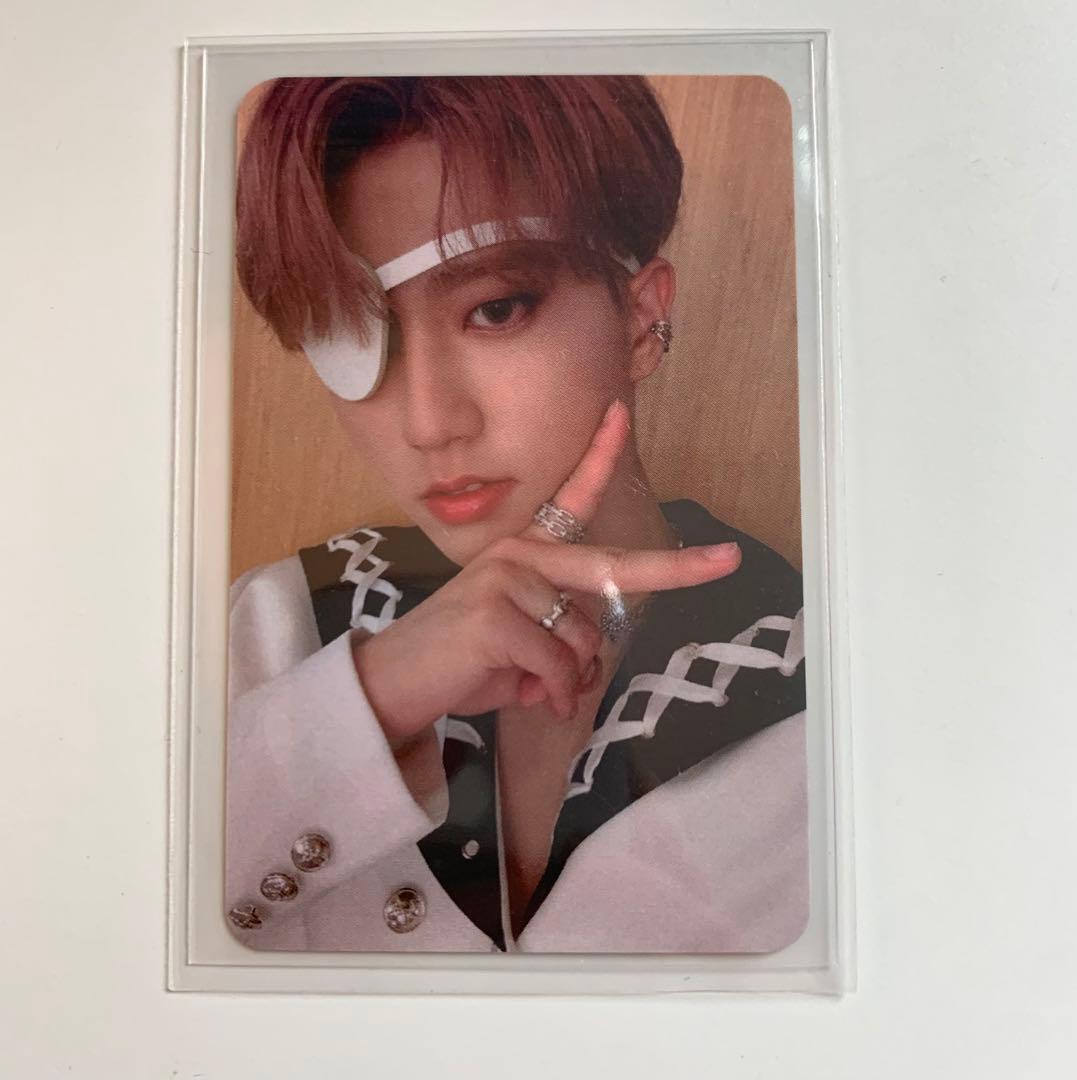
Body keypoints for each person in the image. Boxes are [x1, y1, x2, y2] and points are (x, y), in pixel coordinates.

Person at [226, 76, 807, 953]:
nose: (430, 423)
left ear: (640, 318)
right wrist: (370, 701)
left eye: (495, 309)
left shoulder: (832, 702)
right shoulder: (273, 631)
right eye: (351, 332)